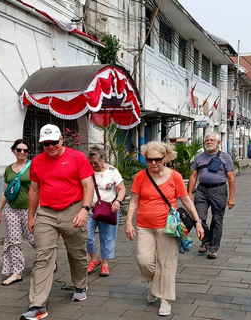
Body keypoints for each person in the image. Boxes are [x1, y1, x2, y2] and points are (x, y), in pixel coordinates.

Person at [21, 124, 94, 320]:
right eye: (46, 144)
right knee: (43, 257)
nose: (50, 146)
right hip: (46, 213)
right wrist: (31, 216)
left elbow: (88, 185)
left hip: (73, 210)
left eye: (54, 142)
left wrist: (84, 210)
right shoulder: (36, 161)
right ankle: (37, 305)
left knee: (77, 253)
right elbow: (34, 190)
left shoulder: (77, 157)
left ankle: (80, 284)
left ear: (61, 139)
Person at [125, 141, 204, 317]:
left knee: (166, 264)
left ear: (165, 158)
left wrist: (198, 221)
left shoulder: (175, 176)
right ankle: (156, 286)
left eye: (157, 159)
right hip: (144, 225)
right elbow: (134, 201)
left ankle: (165, 300)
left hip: (168, 226)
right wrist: (128, 221)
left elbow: (185, 200)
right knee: (144, 260)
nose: (153, 163)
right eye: (149, 159)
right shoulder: (140, 176)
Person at [188, 131, 235, 259]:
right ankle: (207, 238)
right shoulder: (199, 157)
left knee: (217, 220)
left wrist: (231, 197)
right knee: (197, 217)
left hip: (219, 190)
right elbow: (193, 176)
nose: (208, 142)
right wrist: (189, 193)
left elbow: (231, 178)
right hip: (202, 190)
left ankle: (213, 248)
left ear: (218, 143)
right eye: (207, 140)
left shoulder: (225, 157)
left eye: (211, 140)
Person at [0, 139, 35, 286]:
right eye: (19, 150)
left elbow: (38, 188)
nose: (22, 153)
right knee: (13, 241)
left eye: (25, 150)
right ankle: (17, 272)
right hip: (12, 209)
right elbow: (5, 191)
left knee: (33, 238)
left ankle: (48, 259)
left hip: (29, 209)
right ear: (13, 151)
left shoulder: (33, 166)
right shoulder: (8, 169)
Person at [86, 145, 126, 277]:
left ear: (103, 159)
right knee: (87, 236)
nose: (93, 165)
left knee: (107, 237)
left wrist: (118, 201)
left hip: (108, 209)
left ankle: (105, 263)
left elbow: (121, 189)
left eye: (96, 163)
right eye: (91, 163)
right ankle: (93, 258)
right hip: (89, 210)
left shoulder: (112, 171)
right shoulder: (87, 171)